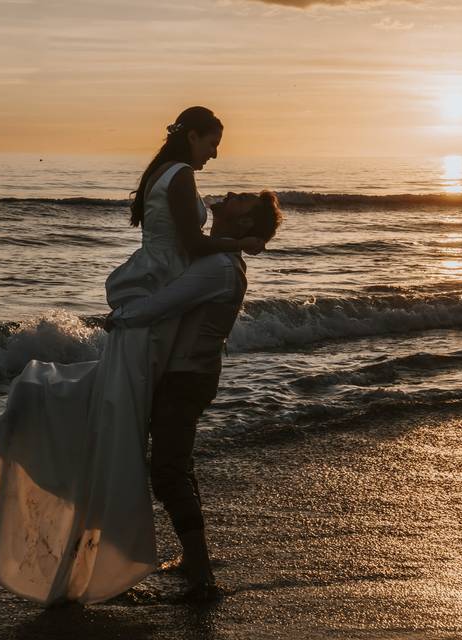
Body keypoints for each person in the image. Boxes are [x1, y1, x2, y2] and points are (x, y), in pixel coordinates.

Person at [0, 107, 265, 606]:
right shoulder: (181, 183)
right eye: (211, 142)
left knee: (144, 444)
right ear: (192, 136)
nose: (216, 154)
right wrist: (239, 242)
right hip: (158, 302)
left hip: (162, 312)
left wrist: (137, 313)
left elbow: (190, 258)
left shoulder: (167, 177)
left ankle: (167, 561)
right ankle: (137, 555)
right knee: (132, 436)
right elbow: (192, 244)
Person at [105, 191, 283, 601]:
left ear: (242, 225)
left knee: (168, 470)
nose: (233, 194)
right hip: (190, 376)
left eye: (243, 202)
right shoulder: (220, 258)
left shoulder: (219, 268)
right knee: (176, 464)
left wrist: (119, 317)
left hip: (187, 379)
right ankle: (194, 558)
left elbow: (163, 304)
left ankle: (202, 574)